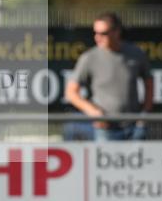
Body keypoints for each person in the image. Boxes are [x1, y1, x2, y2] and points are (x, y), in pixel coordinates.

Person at [65, 12, 153, 140]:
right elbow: (71, 92)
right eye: (95, 33)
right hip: (105, 130)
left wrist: (144, 115)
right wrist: (93, 112)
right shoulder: (89, 58)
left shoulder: (136, 53)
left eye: (103, 33)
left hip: (134, 127)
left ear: (117, 32)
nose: (98, 37)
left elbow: (149, 82)